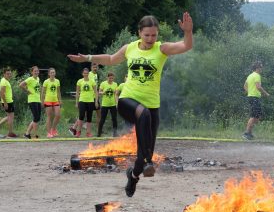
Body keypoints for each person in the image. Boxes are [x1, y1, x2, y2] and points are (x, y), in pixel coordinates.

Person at [68, 12, 193, 197]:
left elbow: (186, 46)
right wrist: (87, 57)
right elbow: (110, 59)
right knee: (143, 115)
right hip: (128, 101)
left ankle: (133, 176)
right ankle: (149, 161)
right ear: (139, 33)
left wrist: (188, 32)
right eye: (147, 35)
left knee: (142, 154)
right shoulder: (130, 48)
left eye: (154, 35)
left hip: (152, 106)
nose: (151, 39)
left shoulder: (162, 49)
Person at [242, 61, 269, 140]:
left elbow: (244, 86)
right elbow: (258, 87)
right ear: (257, 68)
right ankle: (246, 133)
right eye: (261, 67)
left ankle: (249, 133)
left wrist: (249, 92)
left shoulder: (250, 76)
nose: (262, 69)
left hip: (252, 97)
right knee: (254, 116)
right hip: (254, 97)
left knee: (257, 117)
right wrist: (266, 93)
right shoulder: (257, 75)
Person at [74, 68, 98, 137]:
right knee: (81, 116)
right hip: (82, 101)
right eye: (84, 73)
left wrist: (96, 101)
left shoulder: (92, 81)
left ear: (89, 74)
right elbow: (77, 92)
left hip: (90, 101)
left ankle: (88, 132)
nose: (86, 74)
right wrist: (76, 102)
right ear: (82, 74)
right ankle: (78, 132)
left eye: (87, 73)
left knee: (89, 117)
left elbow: (96, 92)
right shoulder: (79, 81)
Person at [20, 66, 41, 139]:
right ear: (32, 72)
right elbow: (21, 85)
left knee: (37, 118)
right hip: (32, 100)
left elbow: (37, 89)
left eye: (37, 71)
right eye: (35, 71)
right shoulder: (30, 79)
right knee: (36, 117)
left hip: (38, 100)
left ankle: (27, 133)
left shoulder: (38, 79)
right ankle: (35, 134)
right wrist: (27, 91)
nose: (36, 72)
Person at [41, 67, 62, 138]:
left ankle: (53, 129)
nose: (53, 74)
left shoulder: (57, 81)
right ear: (49, 74)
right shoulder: (46, 81)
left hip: (55, 100)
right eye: (51, 72)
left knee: (58, 115)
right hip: (48, 100)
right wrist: (42, 101)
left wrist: (60, 100)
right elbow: (43, 92)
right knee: (49, 117)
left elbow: (58, 92)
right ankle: (48, 132)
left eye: (54, 72)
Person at [0, 68, 17, 137]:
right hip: (7, 102)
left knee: (9, 117)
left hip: (9, 101)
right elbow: (2, 92)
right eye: (7, 74)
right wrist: (5, 103)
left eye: (10, 74)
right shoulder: (3, 81)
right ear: (4, 74)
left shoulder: (6, 81)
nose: (9, 75)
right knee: (11, 117)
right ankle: (10, 132)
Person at [97, 71, 118, 137]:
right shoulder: (103, 84)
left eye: (112, 78)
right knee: (102, 119)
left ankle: (115, 133)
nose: (111, 79)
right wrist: (103, 92)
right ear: (107, 78)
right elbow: (99, 92)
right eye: (110, 78)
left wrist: (117, 103)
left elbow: (116, 94)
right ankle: (99, 133)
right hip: (105, 104)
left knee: (114, 119)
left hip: (113, 104)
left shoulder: (115, 84)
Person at [89, 62, 101, 128]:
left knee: (99, 114)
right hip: (90, 98)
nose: (95, 68)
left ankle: (99, 130)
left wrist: (98, 93)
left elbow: (96, 86)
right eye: (94, 67)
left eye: (96, 67)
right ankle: (74, 128)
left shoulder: (96, 75)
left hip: (95, 97)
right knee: (85, 114)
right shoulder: (89, 74)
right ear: (91, 68)